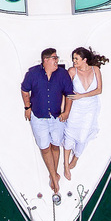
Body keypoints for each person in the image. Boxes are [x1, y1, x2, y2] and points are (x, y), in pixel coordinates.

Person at [20, 48, 73, 194]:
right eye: (54, 58)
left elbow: (69, 94)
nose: (57, 61)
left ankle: (53, 174)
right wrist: (27, 107)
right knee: (44, 148)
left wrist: (66, 112)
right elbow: (24, 90)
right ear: (46, 60)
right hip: (38, 117)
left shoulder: (62, 74)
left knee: (55, 145)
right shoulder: (33, 74)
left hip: (57, 117)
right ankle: (54, 177)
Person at [62, 47, 108, 179]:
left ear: (84, 60)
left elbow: (99, 90)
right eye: (73, 59)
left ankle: (76, 157)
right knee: (69, 133)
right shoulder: (72, 71)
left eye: (76, 59)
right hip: (75, 108)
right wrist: (63, 109)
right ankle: (66, 165)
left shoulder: (95, 70)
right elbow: (65, 90)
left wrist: (81, 95)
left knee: (82, 137)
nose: (74, 61)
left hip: (90, 108)